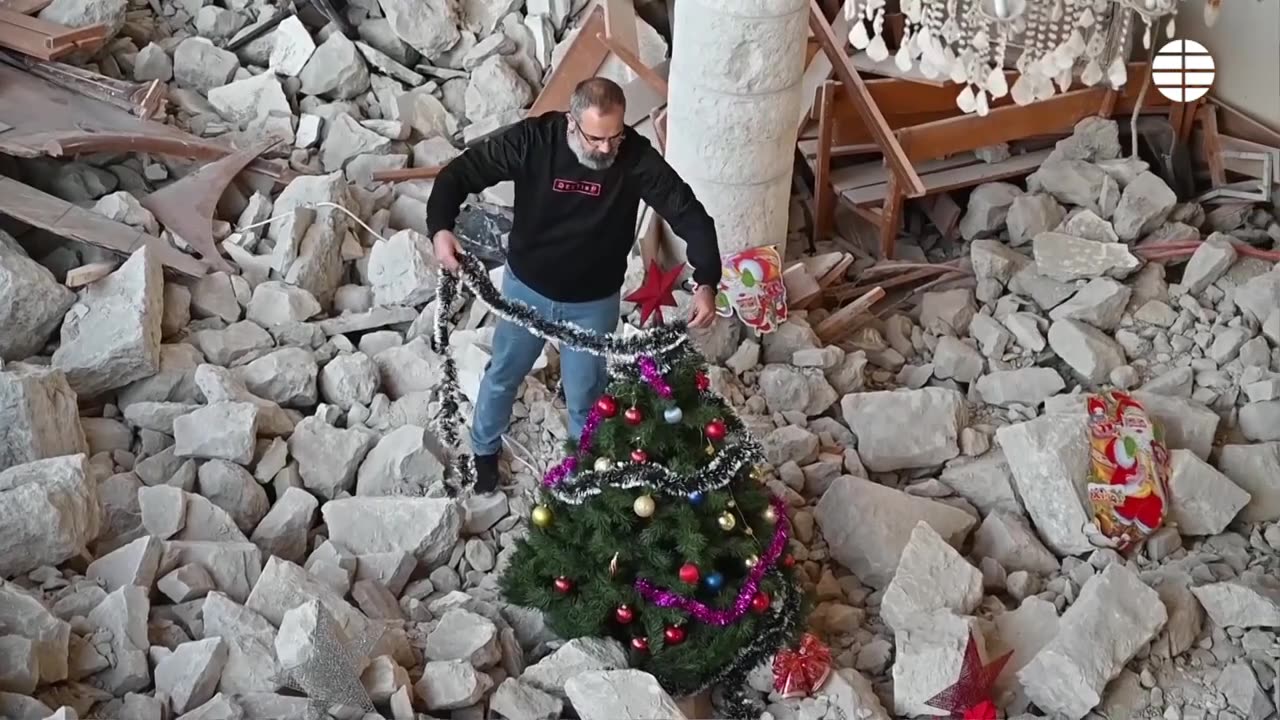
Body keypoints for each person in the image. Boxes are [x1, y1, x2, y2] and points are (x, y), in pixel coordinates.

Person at [427, 76, 723, 494]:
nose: (606, 149)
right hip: (526, 294)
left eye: (614, 137)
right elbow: (460, 173)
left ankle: (589, 473)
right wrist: (440, 227)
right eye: (595, 137)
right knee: (503, 375)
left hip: (593, 303)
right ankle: (484, 452)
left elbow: (690, 214)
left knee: (587, 395)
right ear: (571, 121)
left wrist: (707, 280)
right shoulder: (534, 141)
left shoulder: (635, 158)